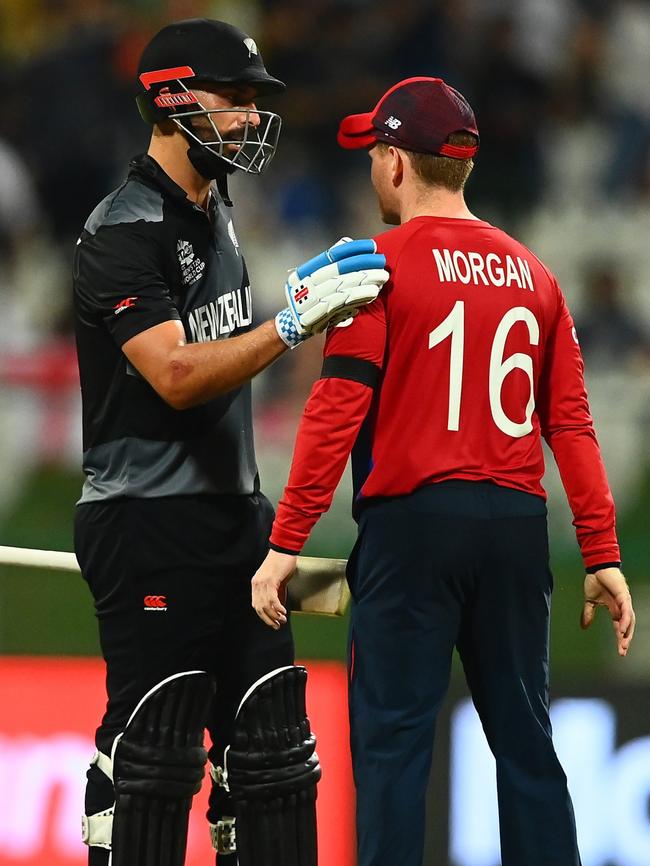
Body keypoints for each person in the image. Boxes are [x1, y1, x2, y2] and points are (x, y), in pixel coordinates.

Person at [251, 77, 636, 866]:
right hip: (515, 532)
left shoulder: (371, 267)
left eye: (373, 153)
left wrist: (285, 541)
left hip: (413, 529)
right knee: (528, 749)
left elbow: (336, 411)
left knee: (394, 753)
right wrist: (601, 552)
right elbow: (570, 424)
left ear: (395, 162)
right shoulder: (536, 275)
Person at [72, 18, 388, 866]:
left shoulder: (216, 209)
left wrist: (289, 310)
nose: (251, 119)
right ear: (171, 100)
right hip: (146, 520)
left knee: (272, 758)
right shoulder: (122, 228)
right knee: (155, 750)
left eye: (254, 102)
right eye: (235, 99)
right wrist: (288, 324)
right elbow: (173, 373)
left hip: (234, 520)